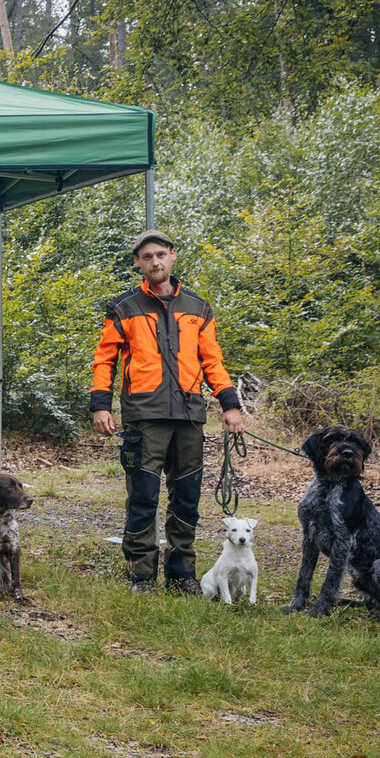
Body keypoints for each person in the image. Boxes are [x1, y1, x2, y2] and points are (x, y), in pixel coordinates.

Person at [91, 229, 243, 593]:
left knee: (187, 497)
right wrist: (100, 405)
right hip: (143, 416)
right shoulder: (122, 307)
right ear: (138, 263)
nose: (155, 262)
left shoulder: (198, 308)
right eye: (147, 257)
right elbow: (104, 359)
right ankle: (142, 575)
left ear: (173, 255)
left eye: (160, 254)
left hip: (190, 415)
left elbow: (213, 361)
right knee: (143, 496)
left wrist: (230, 404)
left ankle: (182, 575)